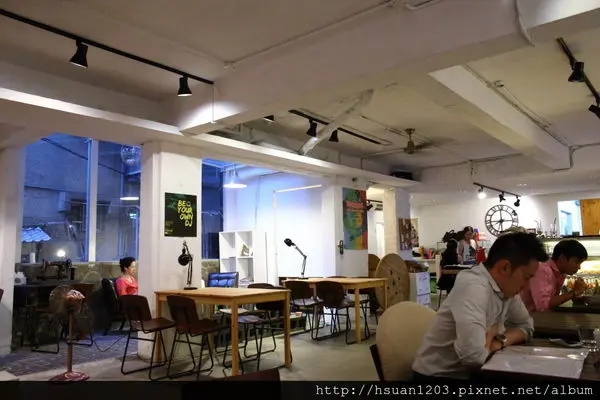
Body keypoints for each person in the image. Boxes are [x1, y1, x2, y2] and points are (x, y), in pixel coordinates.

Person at [412, 232, 548, 380]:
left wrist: (498, 340)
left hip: (478, 371)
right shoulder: (473, 287)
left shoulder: (506, 288)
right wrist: (495, 338)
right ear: (504, 268)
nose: (527, 285)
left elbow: (527, 327)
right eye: (527, 277)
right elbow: (473, 357)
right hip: (437, 378)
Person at [520, 239, 587, 312]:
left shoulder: (559, 273)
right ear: (562, 258)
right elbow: (543, 306)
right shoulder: (543, 270)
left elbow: (552, 302)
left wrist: (575, 295)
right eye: (577, 262)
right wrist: (574, 293)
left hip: (538, 317)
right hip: (528, 317)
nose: (579, 267)